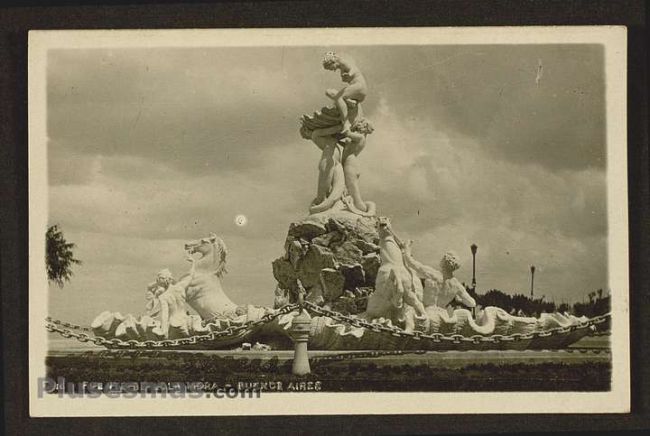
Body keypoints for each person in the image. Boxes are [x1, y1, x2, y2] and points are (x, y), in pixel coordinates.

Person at [322, 51, 368, 133]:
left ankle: (346, 123)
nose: (333, 70)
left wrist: (350, 74)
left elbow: (354, 68)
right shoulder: (341, 66)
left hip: (359, 87)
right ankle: (349, 101)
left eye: (331, 67)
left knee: (338, 98)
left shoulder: (343, 62)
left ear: (332, 62)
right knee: (338, 101)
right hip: (359, 90)